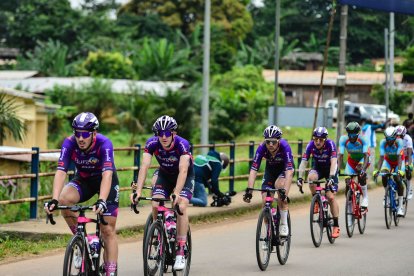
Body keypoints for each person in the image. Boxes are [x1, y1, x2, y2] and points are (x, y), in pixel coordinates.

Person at [45, 112, 119, 276]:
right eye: (77, 133)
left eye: (85, 134)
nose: (80, 138)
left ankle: (111, 271)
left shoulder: (104, 143)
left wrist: (101, 200)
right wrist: (54, 199)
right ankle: (83, 241)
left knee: (107, 230)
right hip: (84, 180)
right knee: (64, 200)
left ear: (94, 133)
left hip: (106, 181)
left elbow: (107, 174)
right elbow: (61, 171)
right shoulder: (69, 143)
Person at [130, 115, 194, 271]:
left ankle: (180, 250)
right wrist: (138, 191)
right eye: (160, 133)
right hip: (165, 175)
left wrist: (177, 192)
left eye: (167, 133)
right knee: (155, 202)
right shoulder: (152, 143)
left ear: (174, 133)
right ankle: (158, 232)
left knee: (181, 207)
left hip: (184, 177)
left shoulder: (182, 144)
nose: (163, 136)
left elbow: (183, 170)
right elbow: (144, 166)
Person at [243, 125, 295, 237]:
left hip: (284, 170)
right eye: (268, 142)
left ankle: (284, 223)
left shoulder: (285, 146)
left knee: (280, 187)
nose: (270, 144)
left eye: (273, 142)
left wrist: (285, 193)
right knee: (265, 200)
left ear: (279, 141)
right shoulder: (262, 147)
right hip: (270, 171)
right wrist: (249, 191)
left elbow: (289, 172)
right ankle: (268, 233)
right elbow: (253, 169)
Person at [297, 127, 340, 238]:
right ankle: (316, 199)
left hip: (331, 169)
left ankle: (336, 225)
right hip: (319, 169)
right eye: (316, 139)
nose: (318, 142)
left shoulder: (330, 144)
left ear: (325, 139)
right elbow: (304, 162)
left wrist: (331, 177)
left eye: (320, 140)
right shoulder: (311, 145)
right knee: (311, 178)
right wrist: (300, 178)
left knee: (330, 197)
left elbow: (334, 162)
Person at [373, 127, 405, 216]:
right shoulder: (383, 143)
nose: (389, 141)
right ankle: (387, 195)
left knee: (398, 179)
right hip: (388, 162)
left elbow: (399, 157)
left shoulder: (400, 142)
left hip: (399, 162)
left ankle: (400, 208)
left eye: (391, 139)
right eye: (387, 139)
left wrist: (399, 170)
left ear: (395, 137)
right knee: (383, 174)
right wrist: (377, 170)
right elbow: (381, 158)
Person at [338, 122, 370, 208]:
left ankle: (365, 197)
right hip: (351, 161)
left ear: (358, 133)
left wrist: (363, 169)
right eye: (350, 135)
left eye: (354, 135)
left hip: (363, 159)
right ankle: (349, 206)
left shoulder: (363, 139)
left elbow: (366, 155)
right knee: (348, 183)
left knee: (360, 171)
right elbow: (340, 156)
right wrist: (336, 170)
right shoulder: (343, 139)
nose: (352, 138)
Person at [395, 125, 413, 199]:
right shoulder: (394, 138)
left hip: (407, 156)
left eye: (400, 135)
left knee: (408, 170)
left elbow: (409, 153)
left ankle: (409, 189)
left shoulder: (408, 139)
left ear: (404, 134)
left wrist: (408, 164)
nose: (398, 137)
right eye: (397, 135)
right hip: (399, 156)